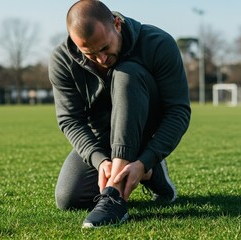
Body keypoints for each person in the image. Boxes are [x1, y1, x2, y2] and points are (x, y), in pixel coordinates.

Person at [49, 0, 191, 228]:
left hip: (144, 129)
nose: (101, 59)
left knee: (127, 73)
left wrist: (145, 160)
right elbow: (70, 119)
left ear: (116, 24)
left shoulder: (158, 43)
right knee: (69, 199)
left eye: (105, 48)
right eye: (90, 54)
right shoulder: (62, 60)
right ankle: (153, 174)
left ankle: (114, 197)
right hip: (103, 137)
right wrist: (99, 160)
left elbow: (179, 111)